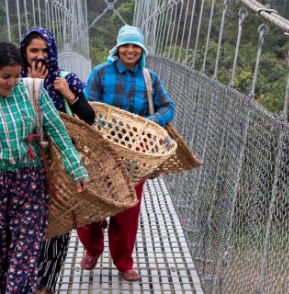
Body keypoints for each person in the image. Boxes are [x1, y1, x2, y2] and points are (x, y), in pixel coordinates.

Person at [0, 42, 90, 293]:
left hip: (28, 183)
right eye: (6, 76)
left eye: (17, 76)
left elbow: (57, 132)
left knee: (23, 263)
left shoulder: (33, 91)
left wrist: (77, 169)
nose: (12, 82)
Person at [77, 25, 175, 282]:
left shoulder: (149, 78)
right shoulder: (100, 73)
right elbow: (88, 108)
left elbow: (168, 106)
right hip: (101, 149)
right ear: (117, 48)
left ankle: (123, 262)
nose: (130, 51)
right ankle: (93, 248)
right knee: (92, 201)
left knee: (127, 209)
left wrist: (150, 121)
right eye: (125, 46)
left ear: (141, 50)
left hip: (136, 153)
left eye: (135, 46)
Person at [19, 27, 95, 294]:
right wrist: (31, 85)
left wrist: (70, 96)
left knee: (59, 222)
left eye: (44, 51)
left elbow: (89, 118)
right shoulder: (11, 79)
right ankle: (24, 279)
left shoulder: (65, 79)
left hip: (61, 163)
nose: (39, 56)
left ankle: (46, 284)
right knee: (27, 224)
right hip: (24, 162)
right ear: (24, 53)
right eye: (33, 51)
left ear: (52, 51)